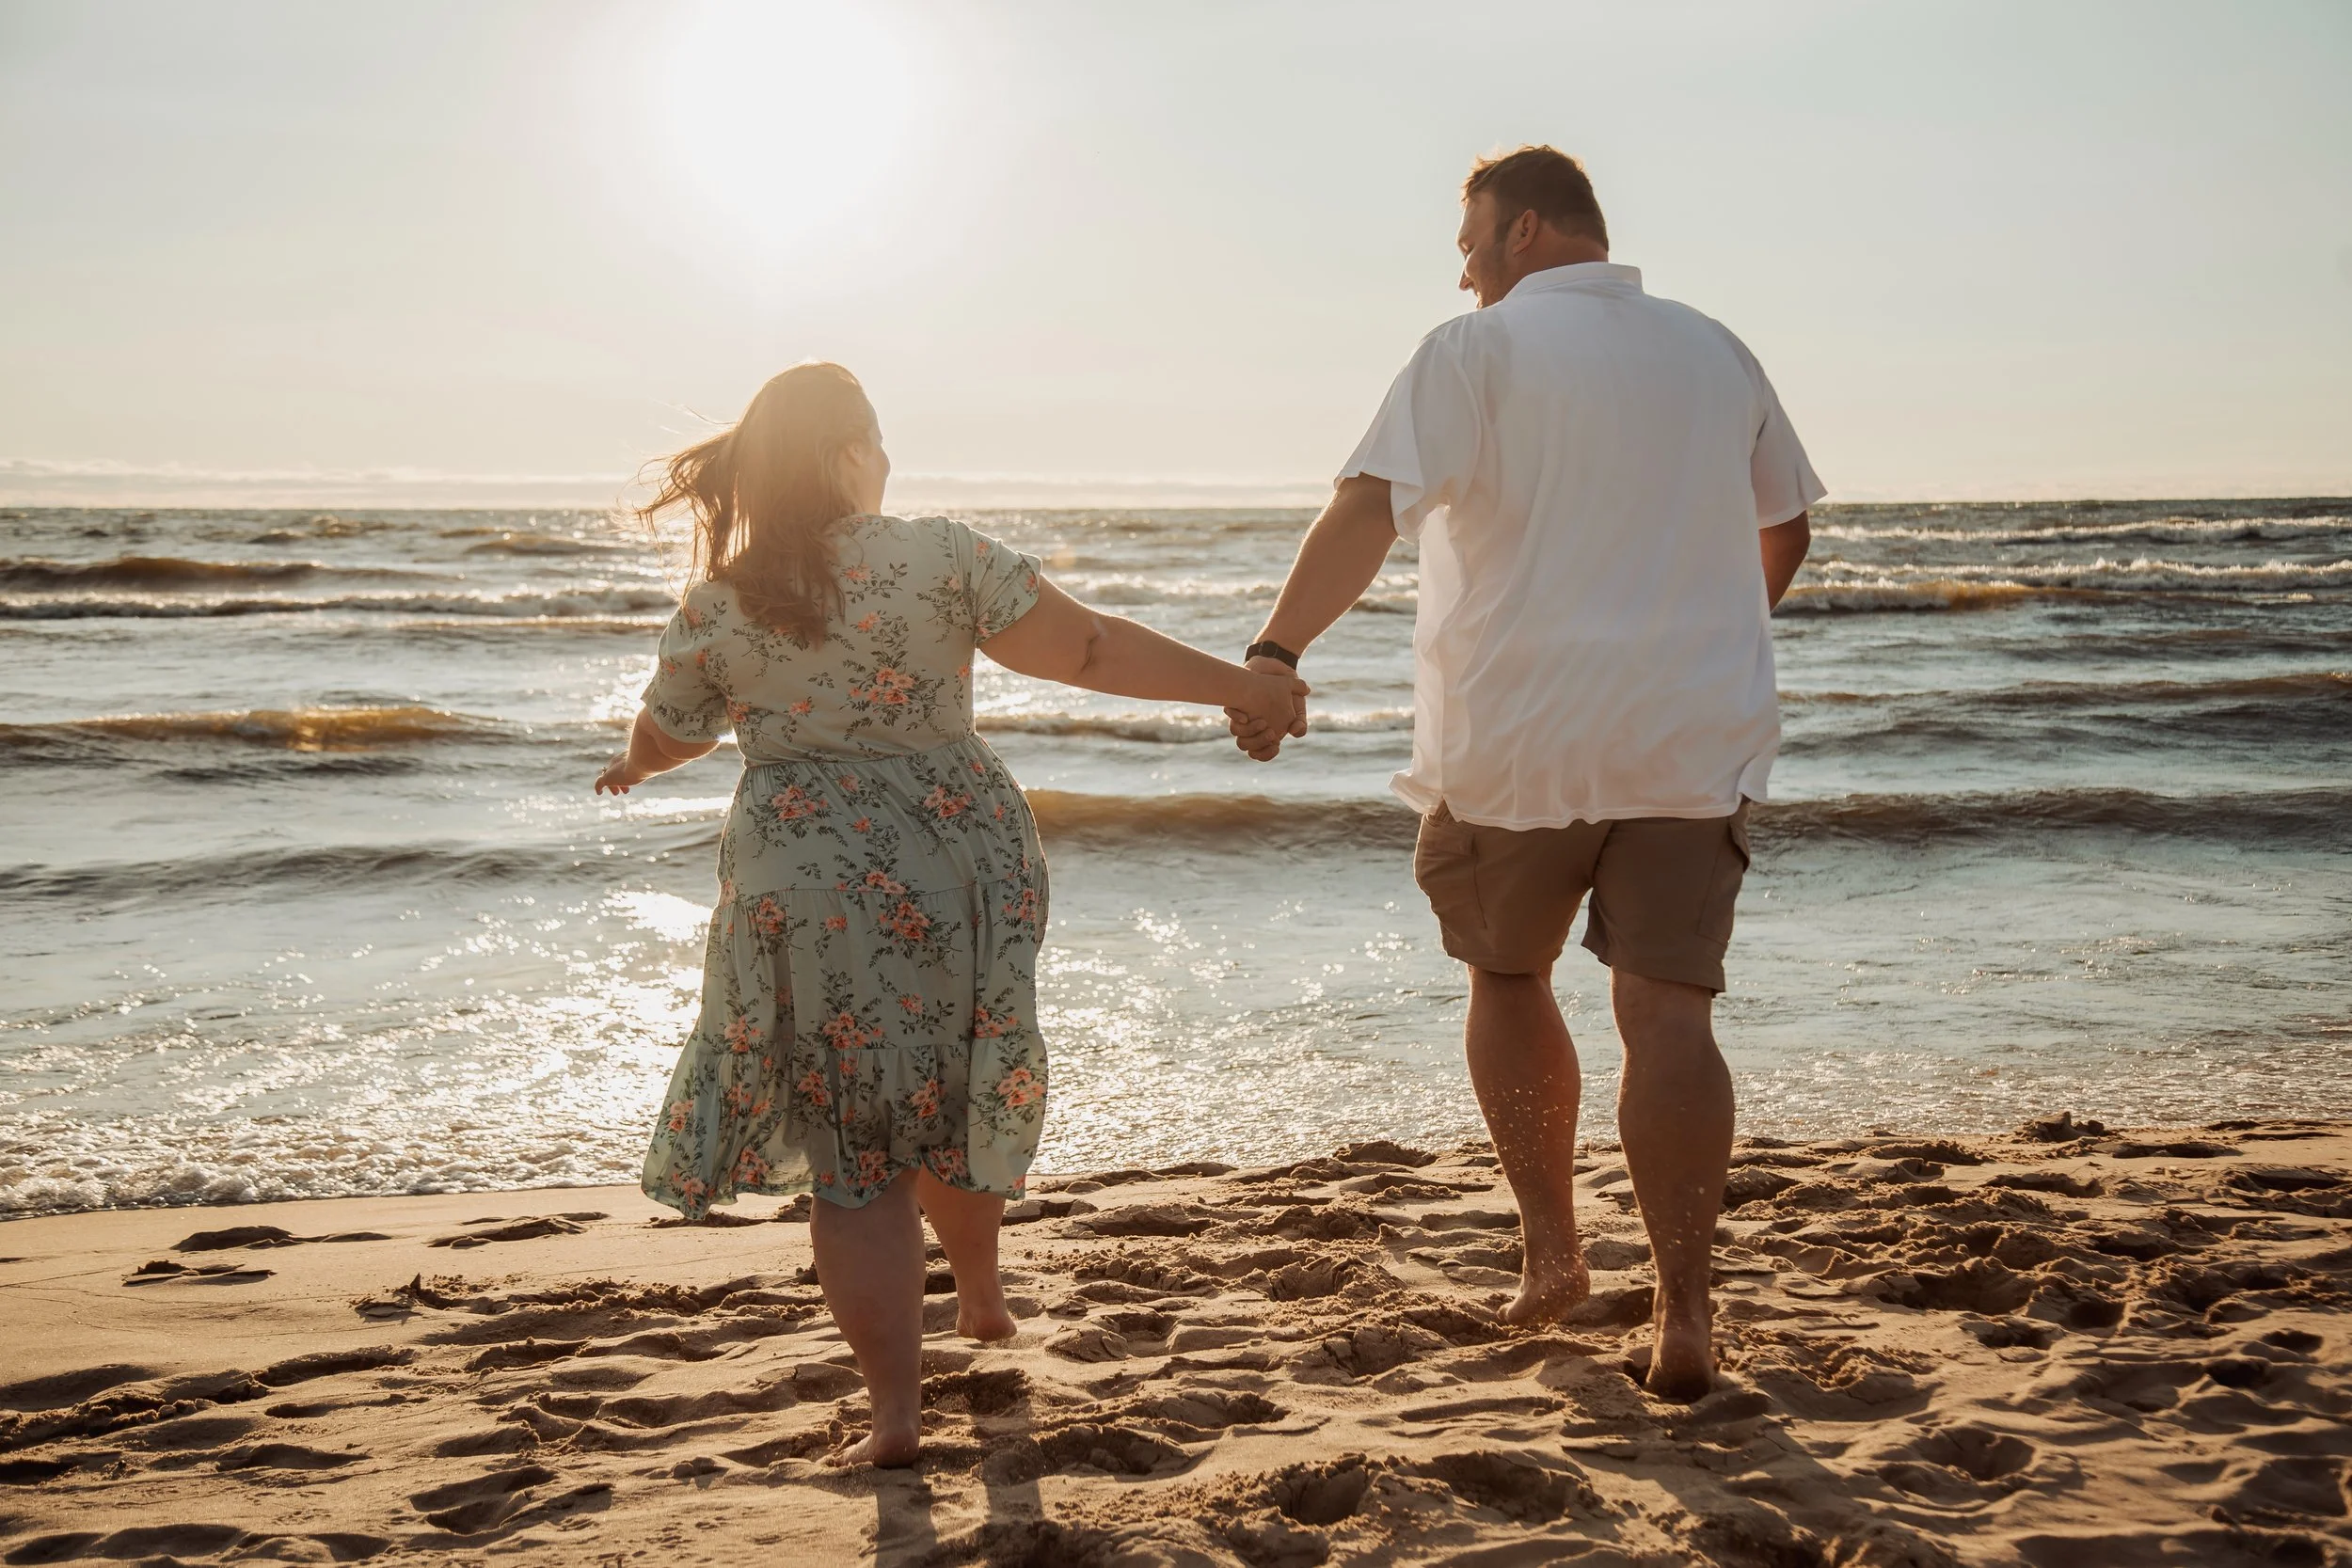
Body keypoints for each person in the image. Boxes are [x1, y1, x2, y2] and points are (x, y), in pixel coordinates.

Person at [597, 361, 1308, 1465]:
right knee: (955, 1079)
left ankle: (895, 1408)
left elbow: (674, 726)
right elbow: (1086, 648)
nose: (886, 461)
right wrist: (1242, 684)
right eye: (875, 441)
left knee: (856, 1150)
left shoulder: (720, 601)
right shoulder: (939, 557)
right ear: (847, 453)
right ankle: (979, 1289)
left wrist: (631, 768)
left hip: (804, 884)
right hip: (954, 863)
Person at [1228, 146, 1820, 1402]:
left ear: (1527, 231)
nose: (1461, 265)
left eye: (1470, 238)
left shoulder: (1470, 353)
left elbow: (1364, 512)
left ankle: (1553, 1252)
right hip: (1686, 739)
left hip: (1514, 742)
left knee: (1510, 972)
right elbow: (1786, 525)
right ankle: (1685, 1310)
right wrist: (1707, 636)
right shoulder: (1716, 349)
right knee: (1670, 1014)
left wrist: (1278, 650)